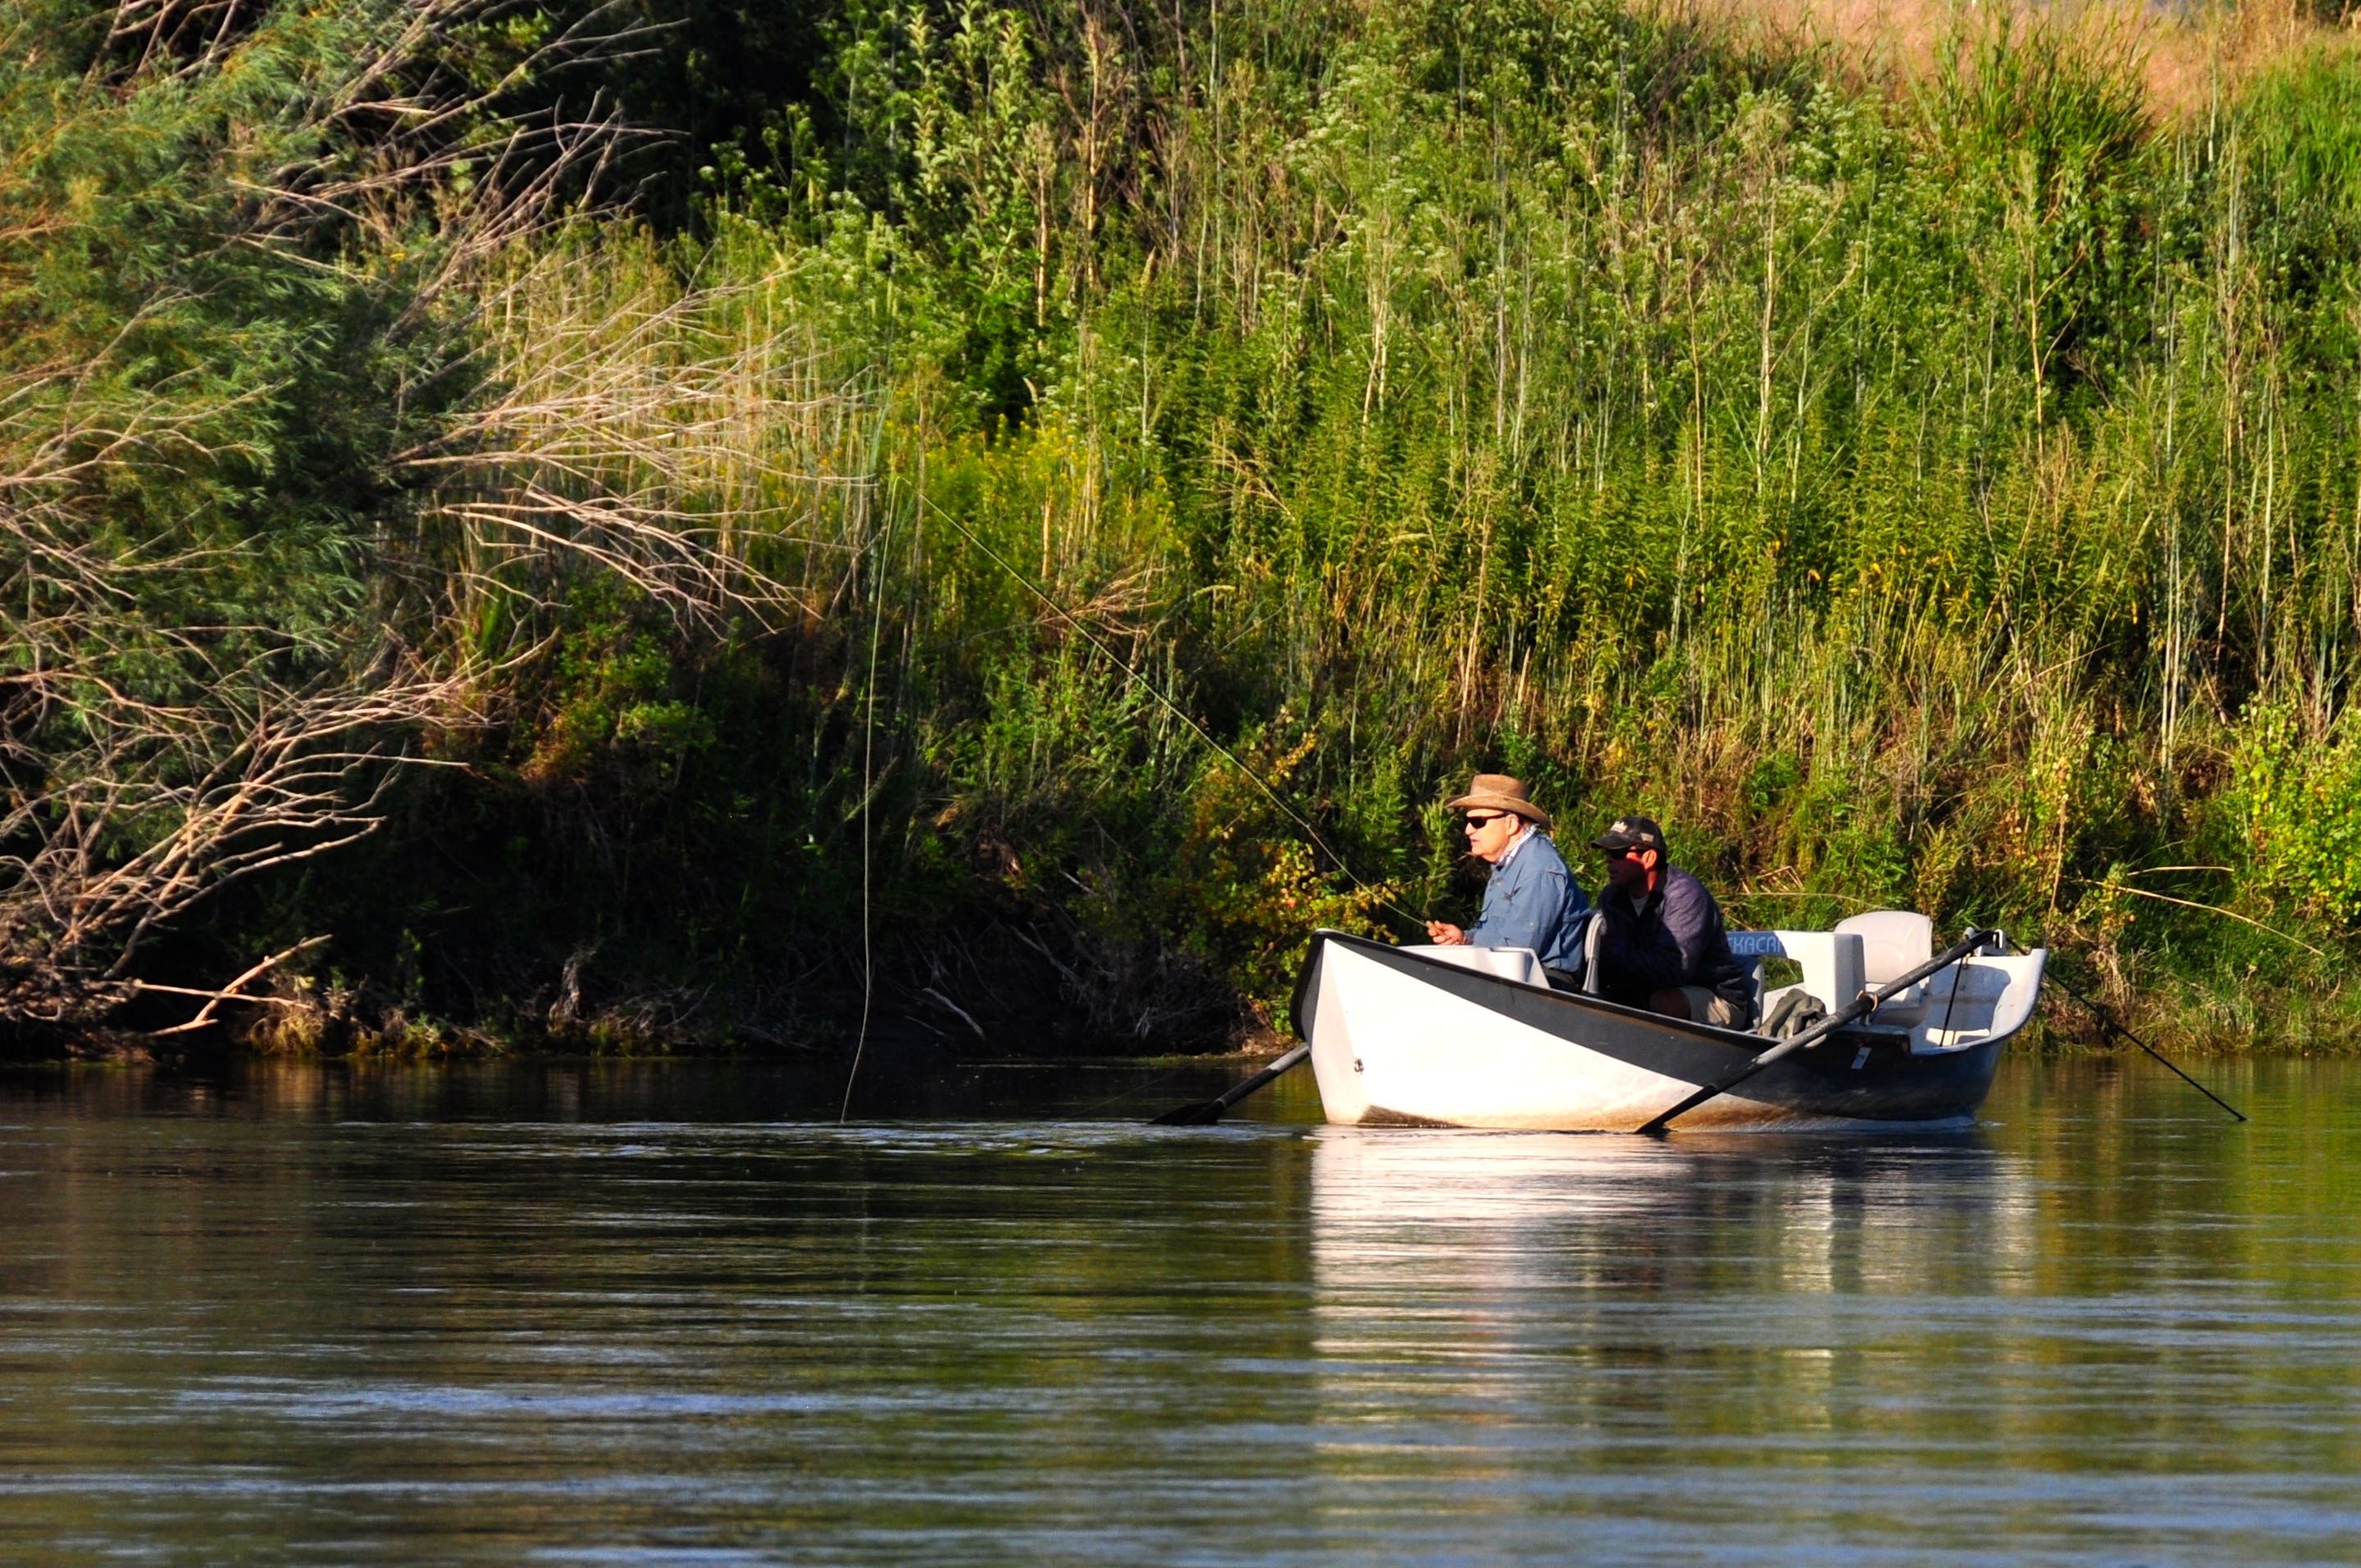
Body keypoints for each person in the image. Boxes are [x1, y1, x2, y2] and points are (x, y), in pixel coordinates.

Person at [1587, 814, 1756, 1028]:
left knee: (1665, 1002)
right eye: (1607, 853)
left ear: (1648, 858)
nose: (1608, 859)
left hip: (1714, 997)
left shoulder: (1686, 897)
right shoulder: (1612, 897)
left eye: (1618, 853)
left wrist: (1610, 952)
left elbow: (1673, 970)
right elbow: (1599, 954)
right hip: (1642, 993)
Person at [1424, 773, 1590, 983]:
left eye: (1477, 822)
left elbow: (1515, 954)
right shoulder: (1508, 863)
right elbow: (1500, 939)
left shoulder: (1539, 869)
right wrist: (1465, 939)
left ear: (1511, 824)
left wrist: (1468, 954)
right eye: (1467, 821)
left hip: (1543, 986)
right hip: (1508, 979)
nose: (1467, 830)